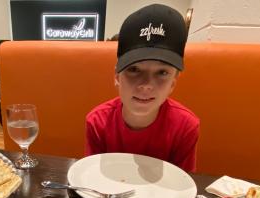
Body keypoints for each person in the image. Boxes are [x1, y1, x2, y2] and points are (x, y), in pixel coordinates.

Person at [85, 4, 200, 172]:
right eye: (134, 69)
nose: (146, 85)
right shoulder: (97, 122)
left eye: (162, 72)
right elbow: (93, 181)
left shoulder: (186, 127)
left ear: (173, 83)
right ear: (117, 77)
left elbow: (183, 185)